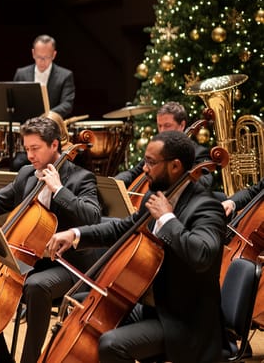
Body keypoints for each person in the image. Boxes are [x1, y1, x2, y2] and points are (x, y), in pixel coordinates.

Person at [46, 130, 226, 363]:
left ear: (175, 166)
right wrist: (75, 234)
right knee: (81, 305)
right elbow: (124, 228)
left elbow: (202, 254)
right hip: (153, 307)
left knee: (112, 345)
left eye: (151, 162)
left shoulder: (207, 207)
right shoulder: (157, 193)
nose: (144, 169)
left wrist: (167, 219)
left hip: (185, 321)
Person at [0, 116, 100, 363]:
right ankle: (1, 358)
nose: (30, 155)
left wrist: (59, 190)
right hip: (29, 261)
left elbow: (93, 216)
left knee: (36, 287)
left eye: (35, 148)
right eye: (26, 149)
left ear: (54, 145)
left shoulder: (81, 178)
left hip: (67, 265)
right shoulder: (26, 173)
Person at [114, 101, 213, 191]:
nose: (162, 131)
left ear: (182, 125)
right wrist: (115, 182)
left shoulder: (200, 153)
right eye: (159, 126)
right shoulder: (157, 151)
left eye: (167, 126)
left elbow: (204, 183)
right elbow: (133, 173)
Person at [13, 34, 75, 118]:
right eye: (39, 57)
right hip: (26, 124)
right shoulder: (21, 74)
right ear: (33, 53)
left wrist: (46, 115)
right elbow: (15, 101)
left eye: (46, 57)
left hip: (52, 125)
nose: (42, 61)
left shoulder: (65, 76)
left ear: (54, 55)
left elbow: (67, 104)